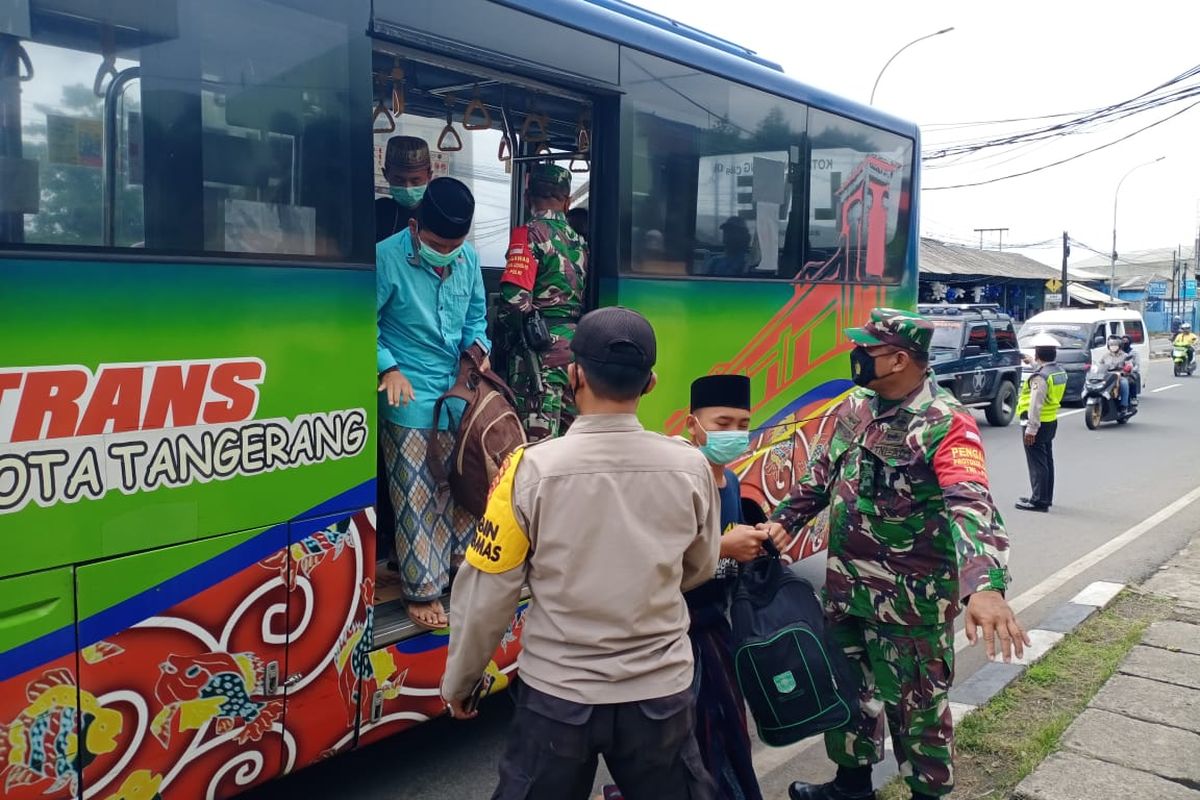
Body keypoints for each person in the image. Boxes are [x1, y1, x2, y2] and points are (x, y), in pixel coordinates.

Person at [441, 307, 721, 800]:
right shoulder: (691, 468)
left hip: (557, 699)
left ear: (573, 375)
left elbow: (490, 590)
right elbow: (698, 568)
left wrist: (460, 680)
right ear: (650, 383)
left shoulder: (527, 471)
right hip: (660, 693)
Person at [761, 308, 1028, 800]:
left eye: (868, 348)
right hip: (846, 592)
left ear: (899, 359)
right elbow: (820, 477)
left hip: (909, 606)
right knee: (848, 693)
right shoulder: (856, 407)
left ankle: (928, 794)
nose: (857, 355)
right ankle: (851, 786)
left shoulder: (946, 424)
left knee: (917, 710)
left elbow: (970, 503)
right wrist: (781, 522)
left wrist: (985, 586)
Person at [602, 374, 774, 800]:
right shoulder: (676, 482)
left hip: (718, 634)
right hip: (675, 636)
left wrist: (760, 543)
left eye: (742, 423)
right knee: (681, 746)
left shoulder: (731, 483)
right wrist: (722, 549)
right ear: (693, 425)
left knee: (727, 737)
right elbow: (655, 565)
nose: (734, 433)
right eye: (722, 422)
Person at [377, 177, 490, 630]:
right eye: (439, 244)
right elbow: (360, 322)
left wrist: (474, 357)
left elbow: (478, 320)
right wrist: (388, 368)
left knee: (464, 490)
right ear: (414, 227)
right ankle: (421, 589)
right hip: (409, 395)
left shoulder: (469, 259)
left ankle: (461, 574)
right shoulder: (385, 257)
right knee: (417, 495)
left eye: (456, 244)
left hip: (459, 395)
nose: (447, 252)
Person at [501, 164, 588, 442]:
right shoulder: (580, 241)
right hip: (575, 351)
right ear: (567, 200)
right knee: (571, 441)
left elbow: (515, 300)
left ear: (528, 198)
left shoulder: (527, 234)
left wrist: (508, 337)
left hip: (539, 355)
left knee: (536, 444)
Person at [1015, 334, 1066, 513]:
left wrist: (1031, 429)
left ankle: (1038, 501)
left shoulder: (1040, 378)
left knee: (1037, 463)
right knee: (1047, 461)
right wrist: (1031, 363)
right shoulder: (1058, 371)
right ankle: (1046, 497)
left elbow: (1035, 404)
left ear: (1038, 354)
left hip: (1037, 423)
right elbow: (1045, 371)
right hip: (1050, 421)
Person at [376, 135, 433, 243]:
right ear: (385, 174)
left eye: (415, 181)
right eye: (399, 180)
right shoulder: (377, 212)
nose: (407, 187)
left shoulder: (437, 214)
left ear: (429, 175)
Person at [1097, 334, 1132, 412]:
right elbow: (1100, 365)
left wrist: (1127, 368)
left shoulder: (1124, 355)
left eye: (1115, 345)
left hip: (1120, 376)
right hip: (1107, 376)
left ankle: (1124, 405)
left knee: (1124, 384)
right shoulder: (1105, 356)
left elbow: (1129, 364)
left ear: (1119, 346)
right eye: (1111, 345)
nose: (1113, 347)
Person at [1119, 334, 1141, 401]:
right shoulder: (1118, 352)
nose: (1124, 342)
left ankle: (1133, 397)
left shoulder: (1134, 353)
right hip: (1119, 372)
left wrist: (1131, 370)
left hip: (1130, 372)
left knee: (1131, 381)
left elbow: (1137, 365)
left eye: (1126, 341)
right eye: (1123, 341)